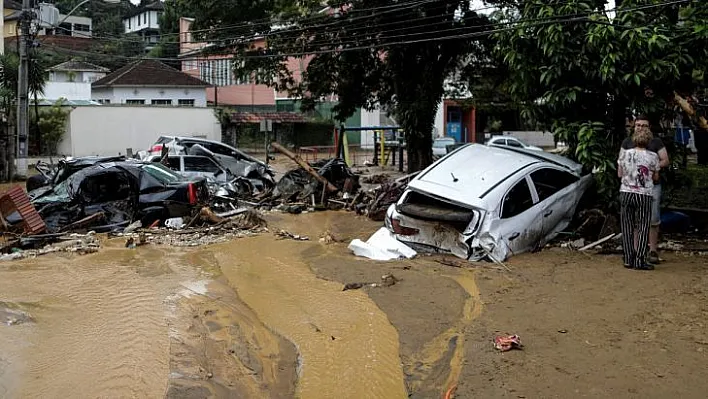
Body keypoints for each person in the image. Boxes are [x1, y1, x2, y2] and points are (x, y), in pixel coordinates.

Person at [619, 116, 669, 264]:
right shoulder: (627, 142)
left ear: (649, 128)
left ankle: (650, 250)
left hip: (648, 188)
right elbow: (620, 165)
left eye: (644, 125)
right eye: (638, 125)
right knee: (637, 221)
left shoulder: (656, 143)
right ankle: (636, 253)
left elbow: (665, 160)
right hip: (635, 188)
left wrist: (647, 167)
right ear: (634, 127)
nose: (640, 128)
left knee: (651, 219)